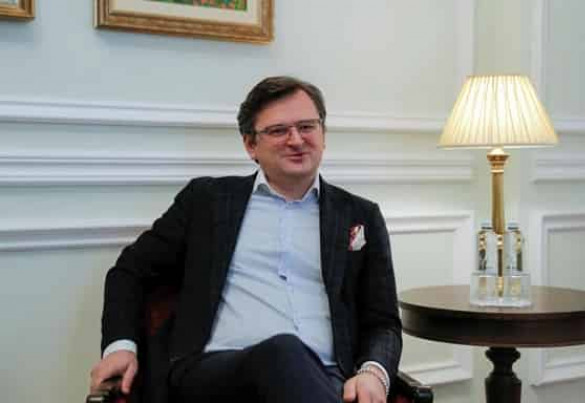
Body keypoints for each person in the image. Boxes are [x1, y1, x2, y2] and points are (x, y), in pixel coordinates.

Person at [90, 76, 402, 403]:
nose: (296, 140)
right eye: (279, 130)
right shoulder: (207, 202)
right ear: (251, 145)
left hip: (327, 378)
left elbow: (383, 321)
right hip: (217, 375)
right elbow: (130, 271)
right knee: (284, 351)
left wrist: (373, 372)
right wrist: (120, 347)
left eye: (307, 127)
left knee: (290, 357)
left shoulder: (360, 215)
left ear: (323, 134)